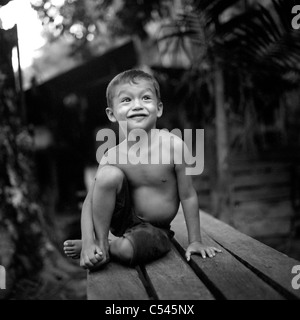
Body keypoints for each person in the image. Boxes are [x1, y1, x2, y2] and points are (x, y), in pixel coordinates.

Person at [63, 69, 221, 270]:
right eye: (126, 100)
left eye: (146, 98)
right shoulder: (112, 155)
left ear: (159, 108)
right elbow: (89, 202)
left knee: (128, 250)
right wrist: (87, 241)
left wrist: (195, 240)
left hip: (156, 229)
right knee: (107, 174)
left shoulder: (174, 146)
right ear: (112, 114)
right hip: (121, 222)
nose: (137, 105)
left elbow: (188, 195)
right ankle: (99, 244)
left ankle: (109, 247)